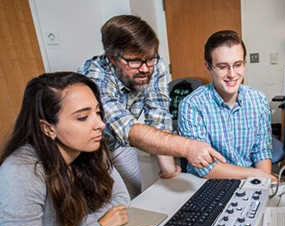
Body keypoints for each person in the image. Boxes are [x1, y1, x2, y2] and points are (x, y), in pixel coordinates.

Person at [78, 15, 225, 198]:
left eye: (149, 58)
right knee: (106, 200)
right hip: (87, 146)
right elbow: (128, 129)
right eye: (135, 61)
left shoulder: (155, 65)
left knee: (132, 193)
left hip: (120, 143)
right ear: (112, 58)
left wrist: (168, 166)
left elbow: (158, 113)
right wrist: (187, 147)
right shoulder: (95, 78)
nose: (145, 68)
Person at [0, 72, 130, 226]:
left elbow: (121, 199)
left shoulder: (91, 145)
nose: (100, 124)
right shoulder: (20, 172)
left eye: (98, 112)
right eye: (83, 117)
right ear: (48, 128)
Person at [178, 30, 274, 181]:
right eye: (223, 66)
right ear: (208, 67)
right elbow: (205, 167)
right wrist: (257, 175)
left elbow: (261, 152)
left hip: (250, 181)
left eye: (237, 65)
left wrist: (264, 183)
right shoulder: (191, 105)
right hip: (208, 183)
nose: (232, 74)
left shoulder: (259, 100)